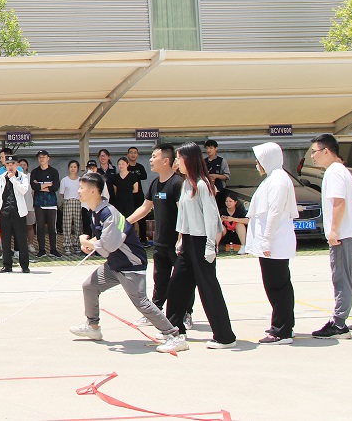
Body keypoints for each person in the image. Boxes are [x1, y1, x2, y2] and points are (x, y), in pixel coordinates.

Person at [69, 172, 187, 354]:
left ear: (93, 191)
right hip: (115, 264)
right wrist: (92, 243)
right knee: (89, 286)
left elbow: (108, 245)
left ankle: (174, 336)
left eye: (81, 187)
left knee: (142, 303)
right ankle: (93, 326)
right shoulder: (96, 211)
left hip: (131, 265)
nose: (78, 191)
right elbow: (107, 239)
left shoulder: (109, 213)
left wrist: (86, 242)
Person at [164, 142, 237, 349]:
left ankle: (225, 336)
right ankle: (174, 328)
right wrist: (180, 238)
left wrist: (210, 245)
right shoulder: (187, 183)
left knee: (208, 287)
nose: (177, 162)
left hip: (202, 241)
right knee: (177, 284)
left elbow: (211, 217)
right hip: (188, 241)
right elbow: (183, 214)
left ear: (188, 159)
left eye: (179, 158)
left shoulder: (203, 185)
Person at [308, 133, 352, 338]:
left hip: (343, 235)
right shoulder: (341, 170)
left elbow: (339, 202)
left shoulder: (334, 172)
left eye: (314, 152)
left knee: (341, 277)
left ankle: (338, 324)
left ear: (326, 151)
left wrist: (333, 230)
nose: (312, 156)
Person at [128, 143, 194, 326]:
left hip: (177, 243)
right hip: (160, 242)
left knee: (183, 281)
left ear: (166, 161)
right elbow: (145, 208)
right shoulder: (155, 183)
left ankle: (186, 313)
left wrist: (181, 239)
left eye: (154, 156)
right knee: (160, 280)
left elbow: (184, 214)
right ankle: (155, 312)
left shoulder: (178, 184)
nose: (150, 159)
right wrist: (124, 223)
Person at [245, 142, 299, 345]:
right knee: (276, 285)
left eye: (259, 160)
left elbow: (275, 211)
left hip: (275, 242)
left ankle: (282, 331)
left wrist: (266, 239)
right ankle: (283, 324)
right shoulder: (274, 178)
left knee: (278, 286)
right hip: (271, 242)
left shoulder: (278, 180)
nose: (256, 164)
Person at [0, 154, 29, 273]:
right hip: (5, 212)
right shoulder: (1, 178)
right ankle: (7, 265)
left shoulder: (23, 177)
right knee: (5, 240)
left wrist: (13, 179)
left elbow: (24, 190)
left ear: (17, 165)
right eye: (8, 164)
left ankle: (24, 265)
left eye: (12, 164)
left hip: (19, 212)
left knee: (21, 240)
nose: (10, 166)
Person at [30, 150, 62, 258]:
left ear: (48, 158)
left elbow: (55, 187)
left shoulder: (54, 172)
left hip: (51, 203)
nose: (41, 159)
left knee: (52, 228)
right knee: (40, 227)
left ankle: (53, 249)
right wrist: (47, 185)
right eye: (39, 157)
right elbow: (34, 186)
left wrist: (40, 185)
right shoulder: (35, 172)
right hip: (39, 203)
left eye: (43, 157)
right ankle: (42, 250)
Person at [59, 160, 81, 256]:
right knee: (67, 225)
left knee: (78, 224)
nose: (73, 169)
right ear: (68, 168)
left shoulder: (81, 180)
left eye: (75, 167)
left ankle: (77, 245)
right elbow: (62, 193)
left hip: (78, 202)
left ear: (78, 168)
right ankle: (67, 245)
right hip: (68, 201)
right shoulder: (64, 180)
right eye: (71, 167)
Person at [128, 146, 149, 242]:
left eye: (135, 152)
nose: (133, 154)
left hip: (139, 195)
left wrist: (134, 175)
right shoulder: (126, 166)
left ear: (138, 155)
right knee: (129, 217)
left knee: (142, 218)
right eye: (131, 152)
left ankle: (143, 239)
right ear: (128, 155)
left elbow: (144, 176)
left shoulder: (140, 167)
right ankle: (130, 239)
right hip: (129, 196)